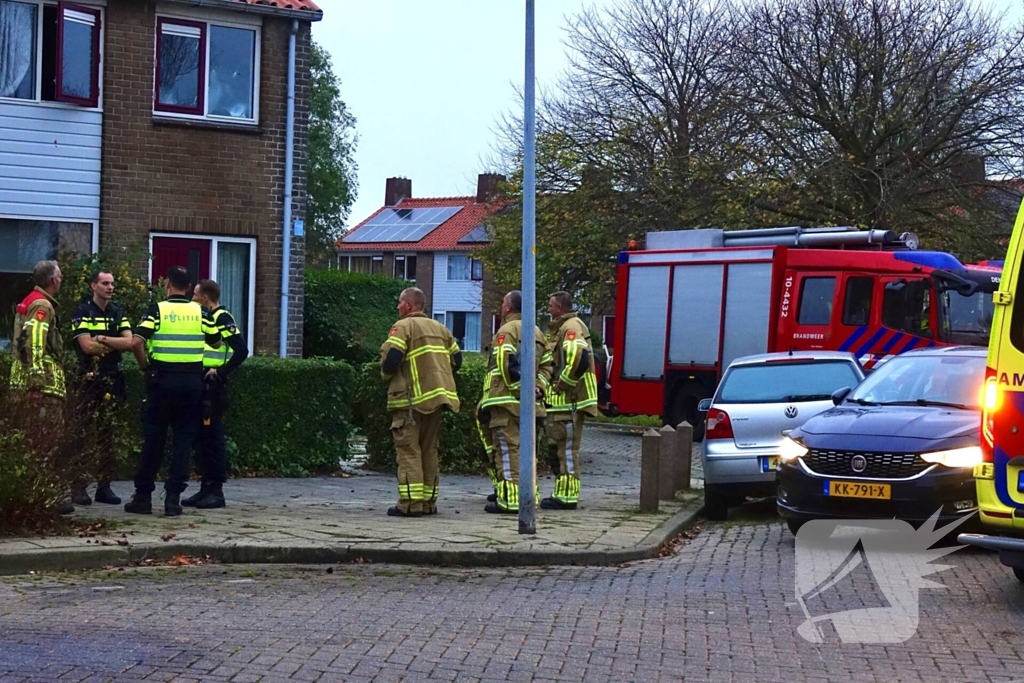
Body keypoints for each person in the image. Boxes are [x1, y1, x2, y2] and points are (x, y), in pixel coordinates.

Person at [124, 267, 222, 517]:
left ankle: (143, 497)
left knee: (154, 439)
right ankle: (173, 499)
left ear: (167, 285)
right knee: (183, 441)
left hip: (162, 381)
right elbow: (217, 342)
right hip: (191, 384)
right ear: (189, 289)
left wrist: (145, 366)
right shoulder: (200, 312)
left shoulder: (157, 310)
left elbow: (136, 341)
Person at [380, 287, 461, 517]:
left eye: (399, 303)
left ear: (408, 305)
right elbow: (458, 360)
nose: (397, 307)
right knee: (429, 450)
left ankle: (410, 504)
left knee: (408, 450)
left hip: (410, 401)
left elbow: (392, 359)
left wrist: (386, 376)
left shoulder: (403, 327)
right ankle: (428, 502)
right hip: (437, 399)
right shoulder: (441, 328)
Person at [480, 290, 553, 514]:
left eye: (503, 302)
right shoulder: (539, 332)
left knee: (507, 450)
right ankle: (527, 495)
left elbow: (505, 362)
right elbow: (548, 365)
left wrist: (519, 390)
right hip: (531, 405)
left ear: (509, 307)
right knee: (527, 451)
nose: (501, 306)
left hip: (506, 402)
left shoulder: (507, 330)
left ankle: (512, 500)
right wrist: (538, 388)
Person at [9, 260, 72, 514]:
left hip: (24, 382)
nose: (62, 278)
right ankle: (43, 499)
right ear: (53, 280)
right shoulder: (43, 305)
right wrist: (37, 380)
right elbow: (35, 340)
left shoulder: (30, 300)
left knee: (29, 442)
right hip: (42, 387)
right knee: (45, 442)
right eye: (60, 275)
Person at [69, 270, 134, 506]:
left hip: (112, 378)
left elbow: (130, 342)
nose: (110, 287)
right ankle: (78, 487)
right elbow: (86, 346)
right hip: (87, 378)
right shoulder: (82, 311)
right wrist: (113, 343)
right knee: (82, 433)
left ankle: (104, 487)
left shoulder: (118, 312)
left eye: (112, 283)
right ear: (93, 286)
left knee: (108, 433)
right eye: (105, 283)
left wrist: (104, 340)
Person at [183, 279, 249, 509]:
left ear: (205, 298)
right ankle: (205, 487)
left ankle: (216, 491)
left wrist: (219, 372)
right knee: (201, 439)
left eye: (195, 295)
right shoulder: (206, 318)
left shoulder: (222, 318)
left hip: (212, 387)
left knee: (213, 438)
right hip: (200, 383)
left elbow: (241, 350)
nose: (193, 298)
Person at [542, 291, 599, 510]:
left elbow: (578, 358)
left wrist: (563, 383)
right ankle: (562, 492)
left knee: (566, 449)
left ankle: (567, 496)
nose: (548, 309)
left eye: (550, 305)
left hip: (572, 399)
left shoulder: (571, 327)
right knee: (559, 447)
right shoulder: (565, 327)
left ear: (560, 308)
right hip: (565, 401)